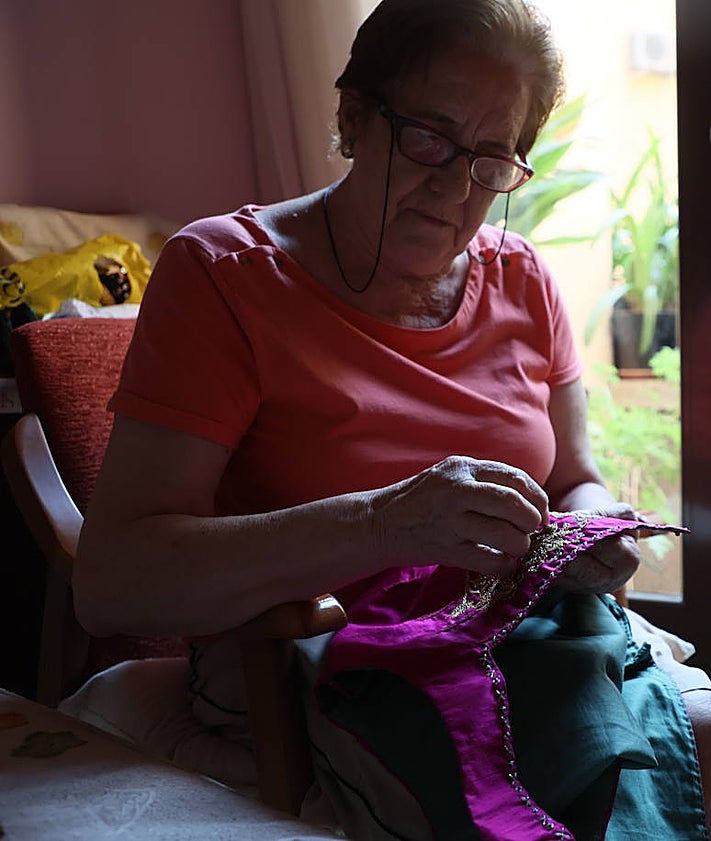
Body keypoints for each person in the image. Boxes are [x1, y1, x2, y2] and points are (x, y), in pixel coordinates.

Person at [73, 0, 711, 838]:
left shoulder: (523, 279)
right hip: (314, 656)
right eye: (429, 139)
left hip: (529, 640)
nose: (453, 187)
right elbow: (114, 579)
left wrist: (589, 535)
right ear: (352, 118)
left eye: (491, 159)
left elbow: (575, 478)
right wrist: (384, 522)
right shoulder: (225, 276)